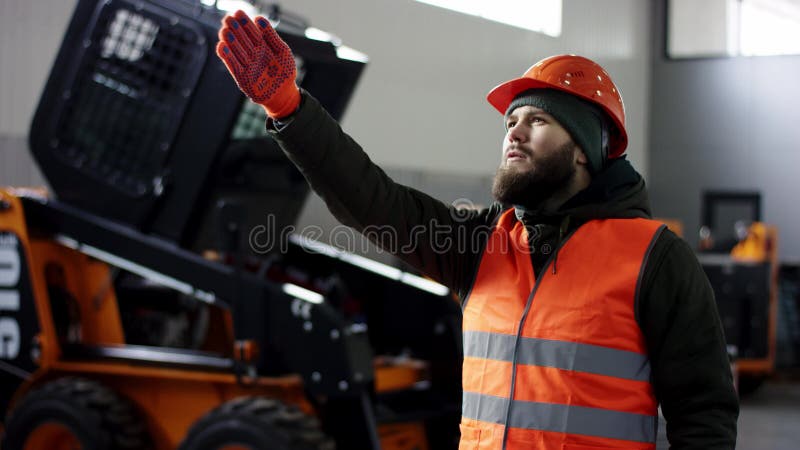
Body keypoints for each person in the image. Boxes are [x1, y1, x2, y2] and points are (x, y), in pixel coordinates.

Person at [215, 10, 738, 450]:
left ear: (584, 148)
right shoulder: (480, 246)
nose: (515, 131)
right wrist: (288, 107)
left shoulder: (654, 258)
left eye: (537, 120)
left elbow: (704, 415)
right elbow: (373, 200)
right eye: (510, 122)